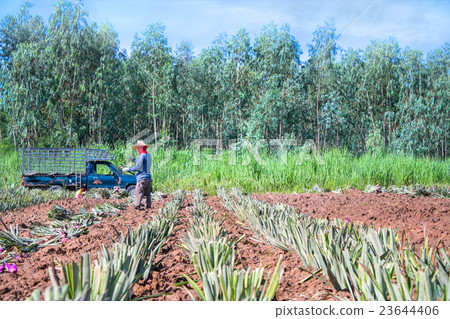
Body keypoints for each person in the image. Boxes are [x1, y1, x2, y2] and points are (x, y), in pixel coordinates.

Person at [122, 140, 152, 210]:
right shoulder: (148, 155)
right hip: (148, 178)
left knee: (138, 193)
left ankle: (136, 207)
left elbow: (137, 167)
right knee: (147, 194)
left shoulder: (141, 156)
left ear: (140, 148)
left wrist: (127, 169)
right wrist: (134, 160)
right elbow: (143, 163)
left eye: (138, 148)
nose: (137, 150)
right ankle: (148, 207)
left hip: (142, 178)